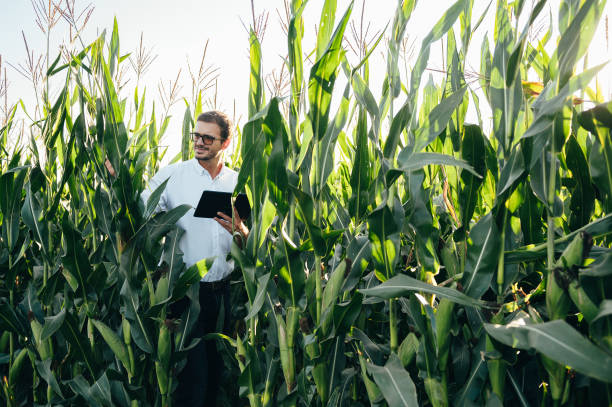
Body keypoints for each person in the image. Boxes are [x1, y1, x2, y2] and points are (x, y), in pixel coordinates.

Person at [141, 110, 248, 406]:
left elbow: (251, 242)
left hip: (223, 293)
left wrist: (240, 228)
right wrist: (118, 177)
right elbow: (140, 209)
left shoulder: (237, 182)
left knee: (216, 375)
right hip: (186, 293)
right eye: (196, 135)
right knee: (193, 380)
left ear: (224, 143)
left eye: (207, 137)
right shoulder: (173, 176)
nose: (199, 142)